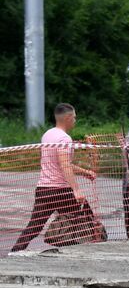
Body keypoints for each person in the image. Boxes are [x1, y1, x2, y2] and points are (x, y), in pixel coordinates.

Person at [10, 103, 97, 252]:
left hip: (43, 190)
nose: (75, 120)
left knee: (34, 228)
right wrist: (76, 190)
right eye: (74, 117)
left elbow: (61, 163)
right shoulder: (65, 139)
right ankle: (75, 250)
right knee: (82, 219)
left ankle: (14, 252)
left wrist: (85, 172)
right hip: (60, 191)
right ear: (68, 118)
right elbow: (65, 166)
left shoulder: (47, 135)